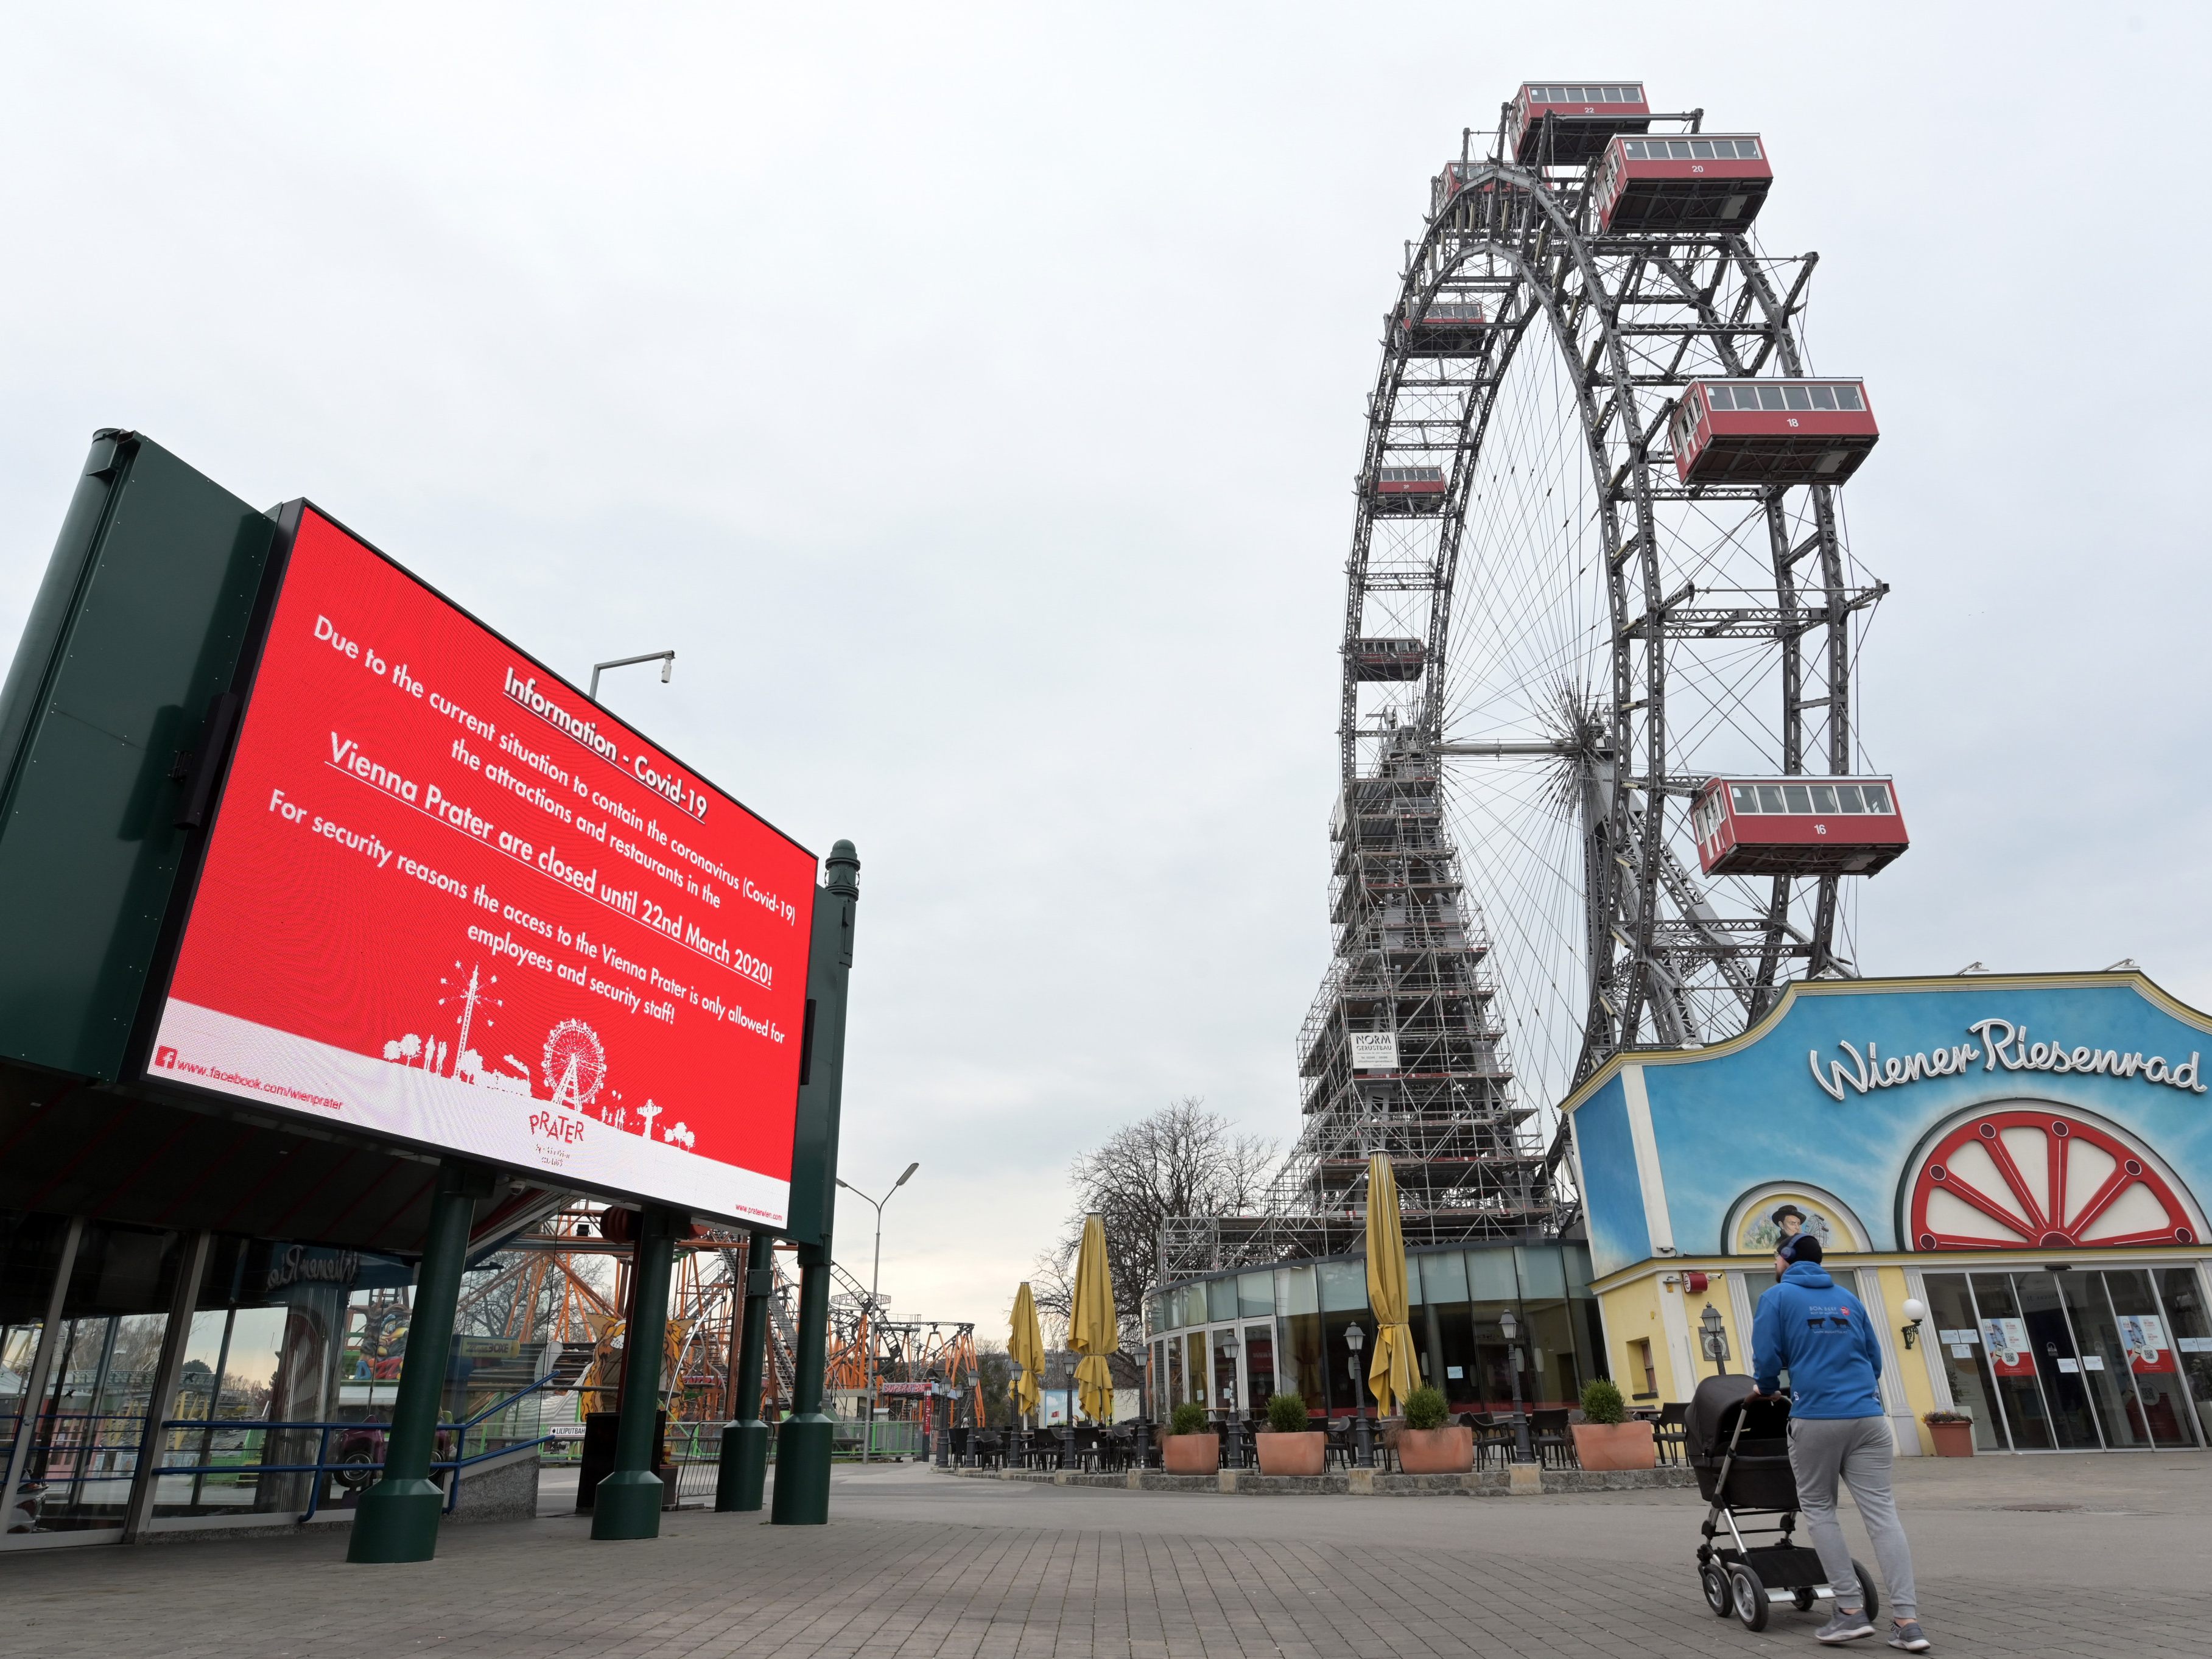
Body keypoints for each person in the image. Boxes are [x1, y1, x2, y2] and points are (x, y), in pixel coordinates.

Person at [1751, 1236, 1930, 1651]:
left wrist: (1766, 1387)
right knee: (1883, 1514)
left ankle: (1849, 1610)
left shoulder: (1776, 1297)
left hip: (1816, 1418)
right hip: (1868, 1417)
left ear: (1786, 1259)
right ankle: (1907, 1622)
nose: (1773, 1262)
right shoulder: (1847, 1296)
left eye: (1774, 1256)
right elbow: (1875, 1359)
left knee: (1818, 1508)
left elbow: (1765, 1358)